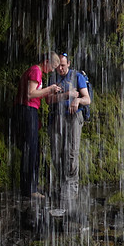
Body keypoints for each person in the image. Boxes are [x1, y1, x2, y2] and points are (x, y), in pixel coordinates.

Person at [13, 51, 63, 199]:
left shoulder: (36, 71)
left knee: (33, 149)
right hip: (27, 109)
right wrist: (49, 89)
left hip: (29, 111)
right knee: (31, 149)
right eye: (53, 67)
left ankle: (30, 186)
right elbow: (30, 94)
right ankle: (29, 189)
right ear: (46, 62)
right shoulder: (36, 70)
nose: (53, 70)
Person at [48, 53, 91, 193]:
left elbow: (87, 99)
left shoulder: (77, 77)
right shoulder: (53, 78)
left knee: (71, 152)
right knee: (56, 151)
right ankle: (61, 183)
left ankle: (72, 188)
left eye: (63, 65)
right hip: (57, 116)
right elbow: (49, 100)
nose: (60, 68)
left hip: (74, 117)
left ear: (69, 63)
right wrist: (67, 95)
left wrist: (77, 101)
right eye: (58, 66)